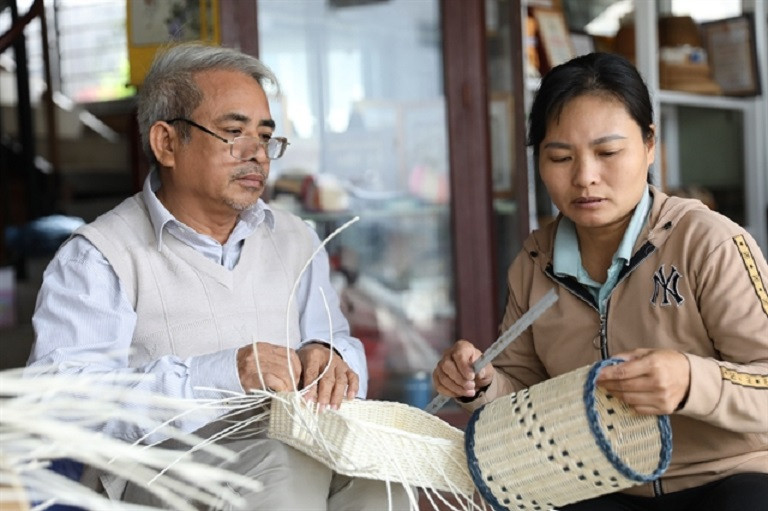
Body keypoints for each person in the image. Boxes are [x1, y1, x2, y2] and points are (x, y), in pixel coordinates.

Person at [27, 42, 407, 510]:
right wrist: (225, 374)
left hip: (300, 451)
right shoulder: (98, 257)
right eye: (234, 133)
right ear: (166, 142)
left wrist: (327, 357)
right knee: (284, 467)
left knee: (381, 480)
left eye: (265, 137)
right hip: (163, 474)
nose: (258, 155)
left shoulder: (294, 239)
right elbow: (63, 405)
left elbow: (339, 344)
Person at [433, 52, 768, 510]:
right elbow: (524, 397)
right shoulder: (535, 262)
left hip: (728, 476)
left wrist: (691, 381)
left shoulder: (708, 243)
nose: (585, 177)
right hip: (598, 481)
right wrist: (483, 383)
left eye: (608, 152)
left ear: (650, 145)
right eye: (560, 157)